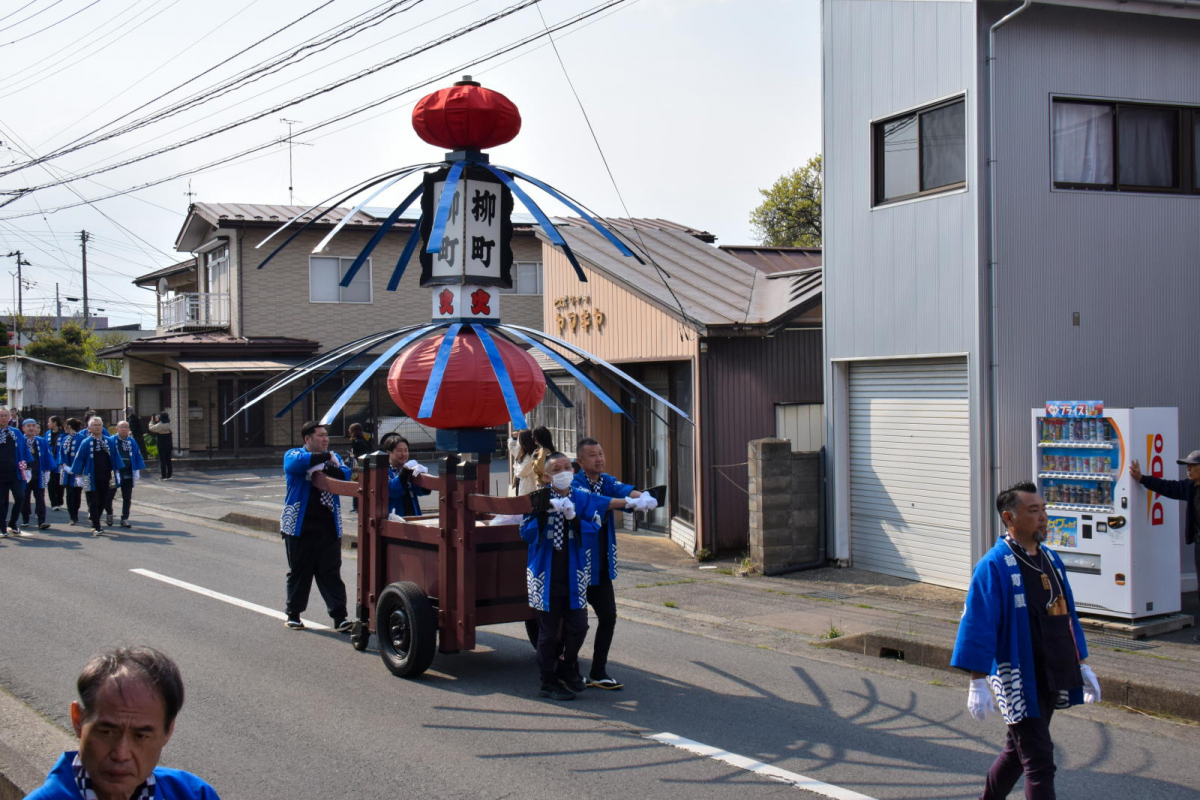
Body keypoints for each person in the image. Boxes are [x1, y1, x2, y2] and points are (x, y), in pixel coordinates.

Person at [952, 481, 1102, 800]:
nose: (1043, 517)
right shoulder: (994, 564)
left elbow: (1069, 614)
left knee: (1016, 753)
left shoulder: (1050, 558)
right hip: (1019, 674)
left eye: (1044, 509)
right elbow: (978, 622)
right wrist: (977, 682)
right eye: (1033, 511)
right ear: (1010, 517)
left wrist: (1082, 664)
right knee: (1039, 761)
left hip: (1053, 668)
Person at [521, 451, 650, 701]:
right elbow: (526, 534)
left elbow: (594, 526)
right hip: (545, 575)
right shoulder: (536, 499)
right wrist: (541, 513)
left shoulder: (581, 497)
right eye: (557, 470)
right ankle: (547, 682)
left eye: (567, 467)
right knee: (548, 633)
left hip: (574, 572)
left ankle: (567, 665)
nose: (564, 473)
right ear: (547, 477)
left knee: (579, 626)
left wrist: (574, 519)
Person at [25, 645, 221, 800]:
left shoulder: (193, 794)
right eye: (107, 732)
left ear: (168, 731)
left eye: (140, 736)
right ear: (78, 720)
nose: (121, 754)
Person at [571, 437, 657, 690]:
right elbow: (598, 503)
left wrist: (643, 496)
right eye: (592, 455)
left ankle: (598, 670)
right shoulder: (576, 484)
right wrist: (631, 503)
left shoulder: (606, 481)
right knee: (576, 623)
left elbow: (622, 490)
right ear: (580, 461)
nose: (599, 458)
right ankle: (568, 669)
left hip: (600, 565)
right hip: (575, 565)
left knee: (608, 616)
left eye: (601, 453)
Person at [280, 421, 352, 632]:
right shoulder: (293, 454)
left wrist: (328, 463)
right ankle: (293, 614)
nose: (325, 439)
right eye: (320, 435)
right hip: (299, 526)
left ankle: (340, 617)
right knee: (300, 571)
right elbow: (296, 465)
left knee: (331, 573)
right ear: (307, 439)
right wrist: (325, 460)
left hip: (328, 526)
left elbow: (345, 474)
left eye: (326, 435)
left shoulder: (333, 457)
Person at [1130, 450, 1200, 643]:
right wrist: (1142, 478)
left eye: (1193, 466)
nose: (1189, 470)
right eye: (1187, 466)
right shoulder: (1190, 487)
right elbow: (1169, 487)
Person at [70, 416, 125, 538]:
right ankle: (96, 525)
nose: (97, 427)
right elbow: (80, 458)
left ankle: (96, 518)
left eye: (99, 424)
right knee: (93, 501)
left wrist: (117, 471)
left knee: (103, 500)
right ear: (89, 427)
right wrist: (78, 475)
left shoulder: (109, 441)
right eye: (94, 425)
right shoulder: (86, 442)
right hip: (90, 475)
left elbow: (115, 457)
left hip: (106, 475)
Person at [0, 406, 33, 538]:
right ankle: (2, 526)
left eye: (5, 415)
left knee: (20, 497)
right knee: (1, 502)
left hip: (15, 472)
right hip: (0, 473)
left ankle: (13, 523)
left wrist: (28, 467)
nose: (3, 418)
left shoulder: (16, 432)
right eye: (1, 415)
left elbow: (24, 450)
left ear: (9, 417)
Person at [381, 433, 431, 517]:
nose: (403, 454)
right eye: (399, 450)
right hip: (394, 517)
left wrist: (423, 476)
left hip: (413, 515)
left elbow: (420, 491)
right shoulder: (384, 470)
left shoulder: (410, 470)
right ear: (389, 453)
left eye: (406, 450)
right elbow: (392, 490)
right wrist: (405, 470)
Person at [107, 421, 146, 528]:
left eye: (126, 427)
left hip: (128, 472)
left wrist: (137, 470)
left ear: (129, 429)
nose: (124, 429)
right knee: (109, 496)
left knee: (127, 497)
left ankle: (124, 518)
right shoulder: (111, 440)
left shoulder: (132, 441)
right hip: (114, 472)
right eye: (121, 427)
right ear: (116, 429)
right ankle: (109, 514)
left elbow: (137, 455)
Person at [22, 419, 57, 531]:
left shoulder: (41, 441)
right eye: (28, 426)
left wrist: (47, 471)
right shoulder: (19, 441)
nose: (31, 428)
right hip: (24, 474)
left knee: (40, 497)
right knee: (24, 497)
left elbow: (47, 455)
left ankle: (42, 520)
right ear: (23, 428)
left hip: (39, 472)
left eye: (33, 425)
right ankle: (25, 519)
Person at [61, 418, 86, 526]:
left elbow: (82, 456)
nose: (64, 427)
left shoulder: (81, 438)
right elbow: (61, 454)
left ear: (69, 426)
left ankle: (75, 513)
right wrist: (65, 466)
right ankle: (72, 516)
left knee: (77, 494)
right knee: (69, 494)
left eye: (65, 425)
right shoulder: (65, 438)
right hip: (67, 471)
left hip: (77, 472)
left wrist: (76, 468)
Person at [347, 422, 370, 512]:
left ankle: (356, 506)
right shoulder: (366, 440)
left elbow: (356, 455)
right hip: (367, 464)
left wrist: (351, 456)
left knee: (356, 485)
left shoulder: (355, 442)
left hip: (358, 466)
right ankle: (363, 505)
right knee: (364, 485)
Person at [508, 429, 539, 496]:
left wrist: (515, 467)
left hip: (529, 488)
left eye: (520, 439)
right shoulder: (524, 452)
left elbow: (521, 472)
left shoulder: (532, 455)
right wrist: (514, 438)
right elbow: (513, 448)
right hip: (522, 485)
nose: (519, 443)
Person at [45, 416, 66, 511]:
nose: (48, 424)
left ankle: (59, 500)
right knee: (51, 483)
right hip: (50, 462)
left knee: (60, 484)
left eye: (49, 421)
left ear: (54, 423)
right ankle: (54, 503)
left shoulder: (63, 435)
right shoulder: (47, 434)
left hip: (60, 463)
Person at [149, 412, 173, 480]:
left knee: (163, 460)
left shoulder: (160, 425)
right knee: (168, 459)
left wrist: (151, 421)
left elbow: (151, 428)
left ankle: (163, 476)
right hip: (169, 443)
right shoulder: (170, 424)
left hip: (161, 443)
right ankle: (169, 475)